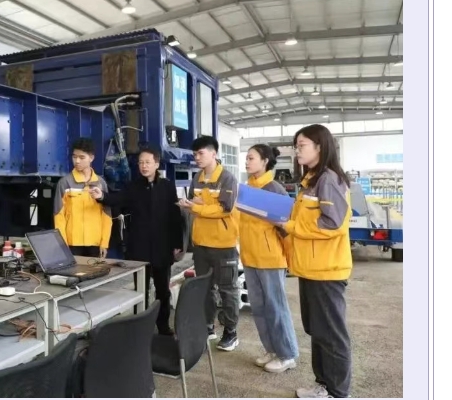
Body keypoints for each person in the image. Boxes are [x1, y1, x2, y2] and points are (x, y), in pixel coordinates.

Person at [282, 124, 353, 398]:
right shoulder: (311, 180)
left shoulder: (329, 180)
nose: (297, 150)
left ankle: (338, 393)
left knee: (332, 335)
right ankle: (323, 385)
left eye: (302, 145)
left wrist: (291, 227)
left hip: (327, 271)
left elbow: (333, 224)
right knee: (318, 331)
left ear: (320, 147)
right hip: (311, 269)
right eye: (296, 146)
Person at [89, 147, 184, 335]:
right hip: (139, 248)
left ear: (156, 164)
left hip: (162, 247)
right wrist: (102, 197)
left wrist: (177, 244)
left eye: (147, 162)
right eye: (141, 162)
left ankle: (163, 325)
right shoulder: (133, 187)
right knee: (140, 290)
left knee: (162, 290)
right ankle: (139, 326)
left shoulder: (167, 186)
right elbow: (117, 199)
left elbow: (175, 217)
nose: (143, 166)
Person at [240, 144, 299, 373]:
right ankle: (272, 349)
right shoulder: (247, 188)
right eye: (246, 158)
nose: (247, 162)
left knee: (276, 307)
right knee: (259, 308)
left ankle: (287, 354)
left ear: (265, 161)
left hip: (270, 258)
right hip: (250, 256)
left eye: (251, 158)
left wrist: (290, 258)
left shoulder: (274, 189)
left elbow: (286, 228)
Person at [178, 135, 240, 351]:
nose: (197, 157)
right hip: (201, 244)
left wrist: (198, 206)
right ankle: (208, 327)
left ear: (213, 153)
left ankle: (231, 332)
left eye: (201, 153)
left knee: (227, 290)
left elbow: (225, 208)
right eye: (195, 154)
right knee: (205, 289)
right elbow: (196, 204)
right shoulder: (197, 178)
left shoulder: (227, 179)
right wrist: (192, 204)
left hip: (224, 244)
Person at [53, 138, 112, 258]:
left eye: (81, 157)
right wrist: (63, 245)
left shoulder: (100, 183)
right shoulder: (65, 183)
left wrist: (104, 243)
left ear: (91, 158)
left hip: (95, 243)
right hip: (72, 244)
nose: (77, 161)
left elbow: (106, 216)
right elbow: (59, 217)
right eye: (74, 157)